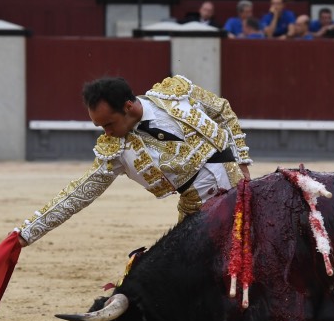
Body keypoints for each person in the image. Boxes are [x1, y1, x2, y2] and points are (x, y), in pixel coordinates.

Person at [14, 75, 252, 246]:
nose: (106, 132)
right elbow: (78, 193)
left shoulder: (174, 93)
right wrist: (27, 232)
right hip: (201, 216)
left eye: (108, 124)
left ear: (128, 107)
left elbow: (222, 111)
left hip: (244, 191)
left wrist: (242, 159)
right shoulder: (116, 150)